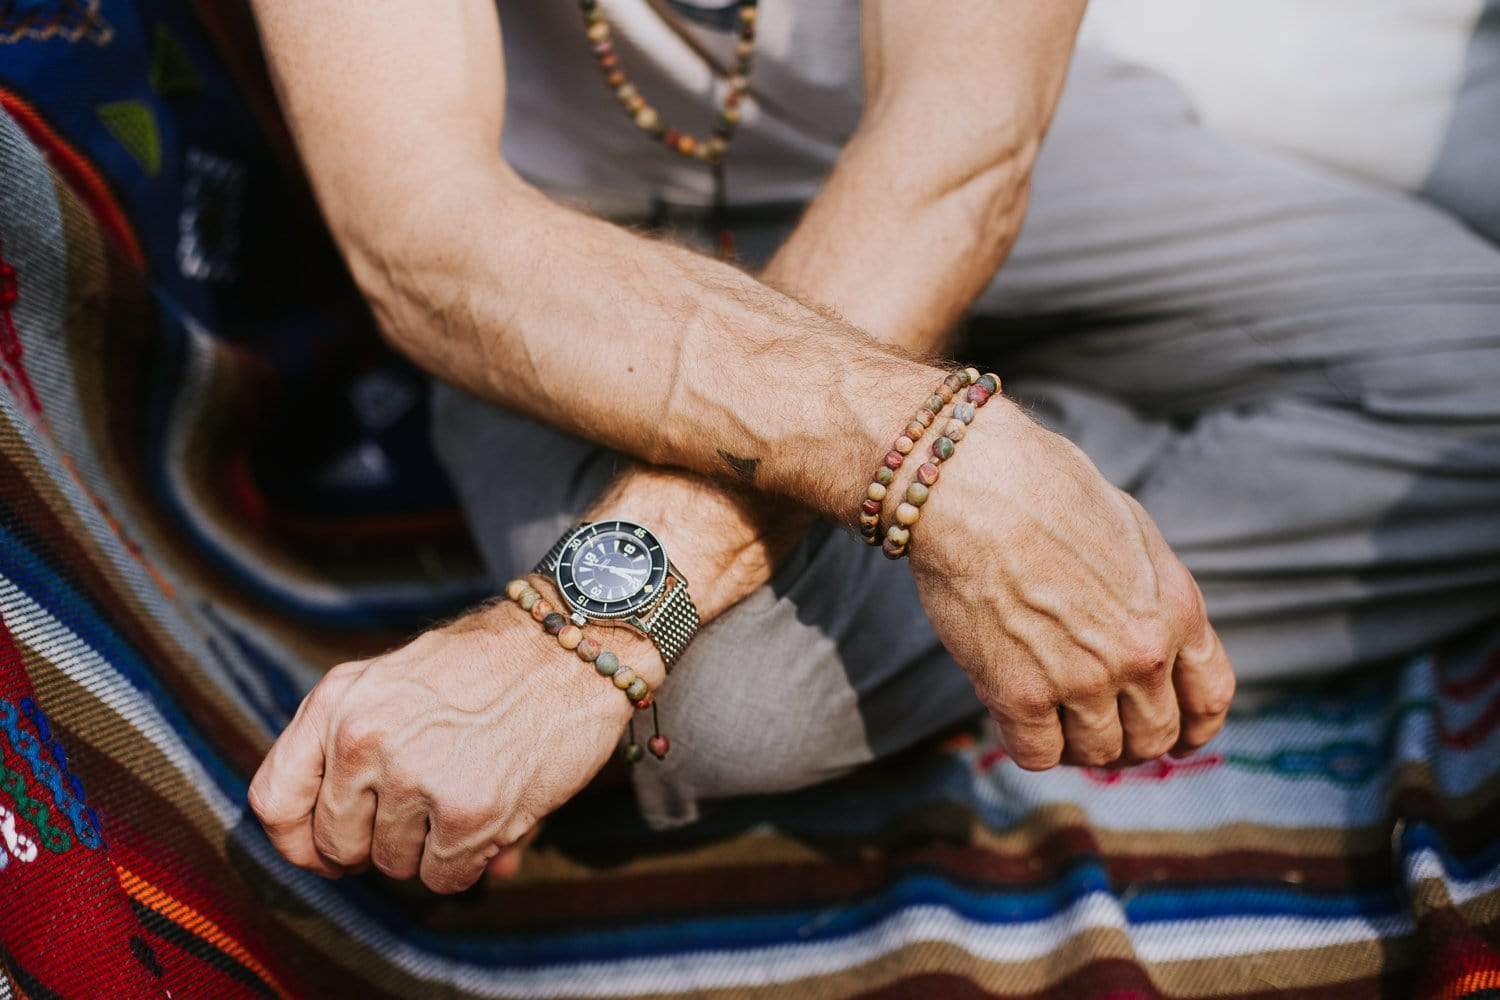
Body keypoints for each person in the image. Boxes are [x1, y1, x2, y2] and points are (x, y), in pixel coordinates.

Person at [246, 0, 1500, 895]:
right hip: (572, 264)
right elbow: (425, 237)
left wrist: (580, 628)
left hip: (977, 173)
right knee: (718, 712)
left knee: (1478, 397)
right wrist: (959, 468)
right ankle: (1041, 490)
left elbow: (956, 152)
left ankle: (1043, 512)